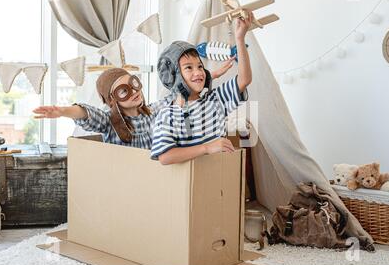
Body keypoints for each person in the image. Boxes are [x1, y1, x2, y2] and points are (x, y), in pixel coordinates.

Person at [33, 62, 234, 148]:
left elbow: (179, 93)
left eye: (134, 85)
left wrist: (208, 75)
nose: (134, 92)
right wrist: (63, 111)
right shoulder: (109, 122)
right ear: (112, 100)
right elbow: (88, 114)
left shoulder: (154, 112)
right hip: (127, 182)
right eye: (123, 91)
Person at [151, 11, 253, 164]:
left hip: (218, 178)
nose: (198, 72)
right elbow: (165, 157)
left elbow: (244, 80)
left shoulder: (214, 100)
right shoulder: (167, 115)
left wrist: (240, 38)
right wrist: (206, 148)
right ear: (175, 76)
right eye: (189, 68)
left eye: (200, 66)